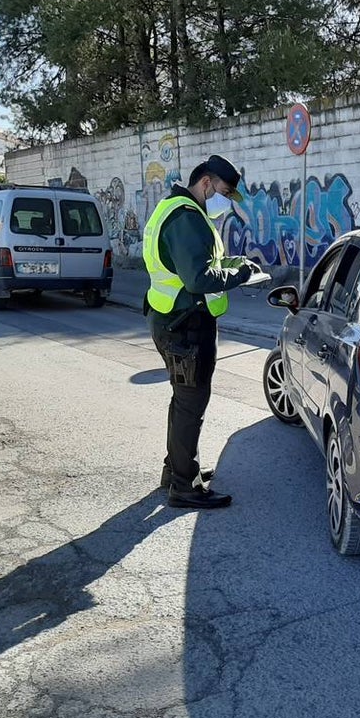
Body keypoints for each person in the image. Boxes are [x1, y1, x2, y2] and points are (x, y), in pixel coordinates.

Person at [143, 155, 263, 509]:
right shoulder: (186, 217)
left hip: (173, 319)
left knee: (183, 401)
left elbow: (197, 264)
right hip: (185, 325)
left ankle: (177, 470)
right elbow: (197, 280)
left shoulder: (177, 209)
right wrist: (241, 276)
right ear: (207, 183)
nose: (225, 201)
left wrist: (232, 264)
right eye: (224, 192)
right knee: (190, 403)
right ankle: (184, 485)